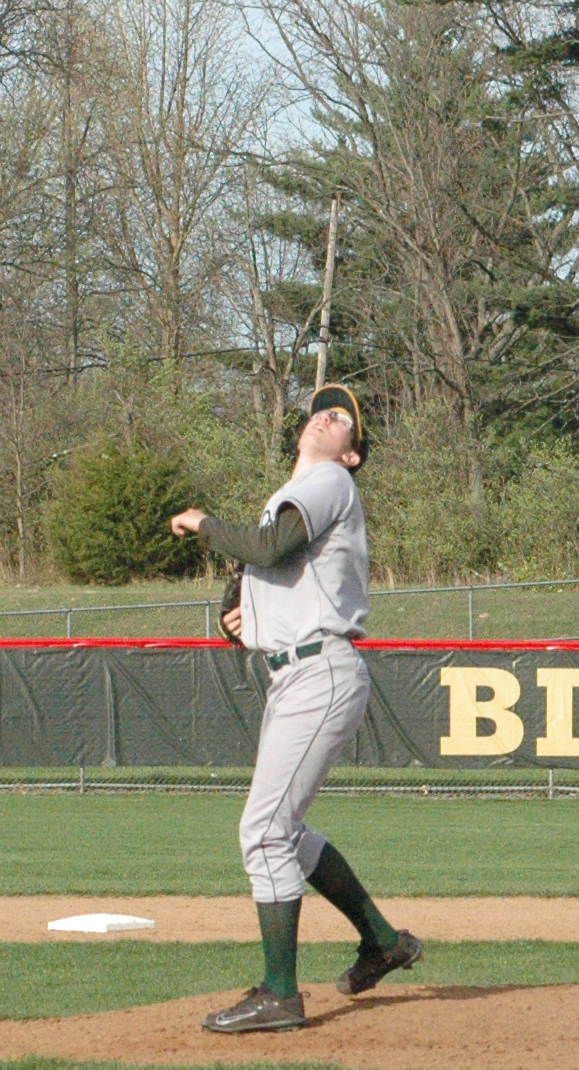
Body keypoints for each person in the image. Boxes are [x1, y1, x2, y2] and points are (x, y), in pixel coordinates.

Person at [169, 385, 421, 1033]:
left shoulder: (329, 482)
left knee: (263, 833)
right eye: (322, 409)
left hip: (320, 672)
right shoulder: (301, 495)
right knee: (288, 832)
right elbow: (267, 579)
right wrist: (241, 618)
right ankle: (383, 940)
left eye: (343, 418)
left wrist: (201, 524)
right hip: (298, 675)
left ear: (353, 455)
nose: (327, 416)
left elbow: (267, 547)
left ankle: (280, 993)